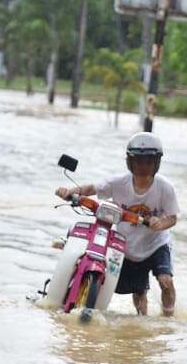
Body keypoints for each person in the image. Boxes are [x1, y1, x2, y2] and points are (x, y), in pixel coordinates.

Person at [55, 131, 179, 316]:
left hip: (155, 244)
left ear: (156, 162)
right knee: (138, 292)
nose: (142, 166)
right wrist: (70, 191)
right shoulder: (119, 182)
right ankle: (141, 324)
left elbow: (172, 217)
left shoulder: (165, 187)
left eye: (148, 161)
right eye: (138, 161)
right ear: (130, 161)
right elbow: (93, 188)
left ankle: (169, 319)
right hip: (126, 244)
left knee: (165, 281)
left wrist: (160, 223)